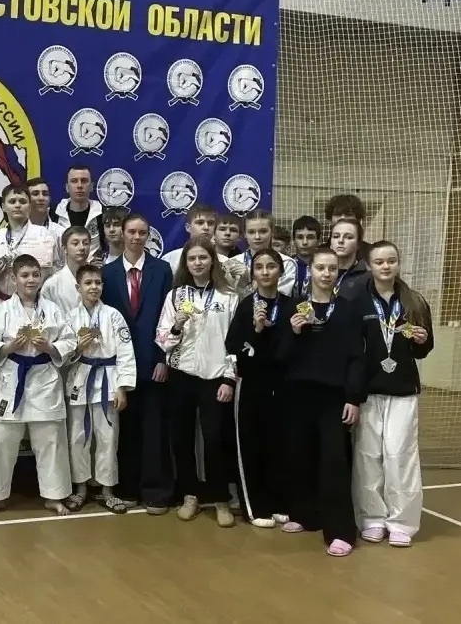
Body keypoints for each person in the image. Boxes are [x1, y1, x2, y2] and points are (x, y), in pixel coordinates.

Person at [276, 248, 363, 557]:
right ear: (310, 270)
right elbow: (281, 356)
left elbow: (356, 357)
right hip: (298, 394)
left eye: (332, 268)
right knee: (300, 456)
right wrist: (293, 331)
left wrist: (353, 397)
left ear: (338, 272)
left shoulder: (348, 309)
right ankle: (305, 514)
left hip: (332, 397)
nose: (326, 273)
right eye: (321, 268)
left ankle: (341, 531)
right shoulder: (295, 307)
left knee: (334, 461)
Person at [0, 254, 77, 515]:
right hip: (12, 377)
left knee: (50, 440)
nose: (31, 280)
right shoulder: (1, 312)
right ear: (14, 278)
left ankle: (54, 496)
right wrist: (8, 347)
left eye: (35, 274)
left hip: (44, 378)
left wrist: (50, 347)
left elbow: (70, 340)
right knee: (1, 441)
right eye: (24, 275)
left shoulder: (54, 309)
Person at [353, 241, 434, 547]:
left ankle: (402, 522)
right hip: (368, 391)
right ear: (369, 266)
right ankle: (371, 518)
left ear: (399, 264)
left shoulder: (414, 301)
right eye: (379, 262)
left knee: (400, 455)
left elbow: (423, 350)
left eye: (391, 261)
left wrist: (422, 340)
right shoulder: (358, 301)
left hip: (402, 390)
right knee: (367, 457)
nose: (385, 266)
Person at [155, 236, 239, 527]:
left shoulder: (228, 297)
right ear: (185, 263)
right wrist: (176, 326)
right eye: (192, 258)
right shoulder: (175, 296)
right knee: (181, 437)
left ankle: (220, 498)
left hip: (216, 377)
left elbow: (235, 342)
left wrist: (229, 378)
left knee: (215, 439)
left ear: (212, 261)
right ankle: (190, 495)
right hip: (182, 375)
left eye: (203, 257)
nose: (198, 263)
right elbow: (162, 339)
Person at [100, 214, 173, 513]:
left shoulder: (162, 270)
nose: (136, 237)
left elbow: (169, 316)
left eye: (142, 232)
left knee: (155, 429)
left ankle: (156, 491)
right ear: (121, 233)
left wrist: (164, 358)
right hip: (120, 365)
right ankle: (127, 487)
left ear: (148, 235)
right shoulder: (107, 273)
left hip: (154, 361)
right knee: (126, 430)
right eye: (131, 231)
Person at [225, 248, 292, 528]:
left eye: (271, 266)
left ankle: (277, 502)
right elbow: (233, 345)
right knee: (251, 445)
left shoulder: (291, 305)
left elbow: (294, 347)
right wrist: (257, 330)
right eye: (260, 267)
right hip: (251, 384)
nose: (265, 272)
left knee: (278, 445)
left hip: (282, 385)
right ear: (252, 272)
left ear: (281, 271)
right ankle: (254, 507)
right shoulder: (245, 306)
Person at [64, 264, 136, 514]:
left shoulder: (114, 315)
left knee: (108, 438)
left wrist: (122, 387)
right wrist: (77, 348)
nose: (93, 287)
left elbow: (126, 352)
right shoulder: (70, 317)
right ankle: (80, 488)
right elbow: (61, 355)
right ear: (78, 287)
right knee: (78, 437)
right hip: (80, 379)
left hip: (108, 380)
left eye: (97, 282)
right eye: (88, 283)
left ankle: (107, 490)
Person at [0, 184, 61, 303]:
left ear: (29, 206)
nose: (17, 205)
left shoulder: (45, 235)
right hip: (2, 304)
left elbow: (57, 272)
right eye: (12, 201)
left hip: (37, 303)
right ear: (3, 207)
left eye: (22, 201)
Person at [229, 210, 297, 296]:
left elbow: (279, 297)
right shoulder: (233, 262)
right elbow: (228, 299)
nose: (257, 237)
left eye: (263, 231)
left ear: (272, 232)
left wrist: (249, 279)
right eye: (251, 232)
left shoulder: (286, 263)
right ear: (245, 234)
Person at [50, 165, 104, 259]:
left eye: (84, 181)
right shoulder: (54, 213)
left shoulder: (101, 213)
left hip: (92, 267)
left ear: (91, 186)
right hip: (62, 266)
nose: (79, 186)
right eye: (74, 181)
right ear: (67, 187)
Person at [40, 226, 90, 313]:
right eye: (75, 243)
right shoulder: (52, 284)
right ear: (64, 249)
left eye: (85, 243)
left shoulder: (98, 279)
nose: (82, 247)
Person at [330, 218, 369, 300]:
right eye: (336, 236)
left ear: (358, 244)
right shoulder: (318, 272)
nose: (340, 241)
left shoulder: (368, 276)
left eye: (348, 237)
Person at [324, 193, 372, 259]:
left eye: (348, 214)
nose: (343, 217)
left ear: (358, 219)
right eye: (337, 214)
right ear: (330, 220)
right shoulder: (319, 251)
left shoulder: (371, 252)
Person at [290, 215, 321, 297]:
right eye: (300, 237)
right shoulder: (287, 266)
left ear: (319, 240)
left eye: (310, 237)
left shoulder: (325, 267)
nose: (305, 242)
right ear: (293, 240)